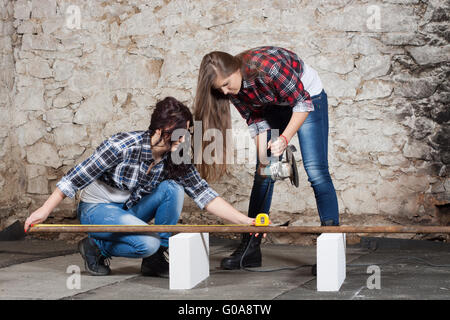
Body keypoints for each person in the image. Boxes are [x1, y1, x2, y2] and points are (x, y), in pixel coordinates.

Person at [24, 97, 254, 277]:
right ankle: (96, 246)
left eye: (186, 134)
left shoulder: (177, 155)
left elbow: (203, 193)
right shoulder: (121, 146)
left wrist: (244, 222)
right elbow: (74, 178)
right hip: (98, 210)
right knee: (148, 242)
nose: (183, 140)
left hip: (127, 209)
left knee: (173, 188)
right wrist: (44, 210)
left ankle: (154, 260)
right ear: (158, 130)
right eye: (177, 134)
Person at [193, 46, 339, 270]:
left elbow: (302, 103)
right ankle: (251, 246)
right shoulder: (232, 90)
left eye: (225, 84)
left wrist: (284, 138)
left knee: (316, 171)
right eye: (218, 88)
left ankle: (331, 251)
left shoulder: (268, 68)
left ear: (235, 70)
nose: (223, 92)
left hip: (307, 98)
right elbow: (256, 118)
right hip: (272, 105)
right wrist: (265, 154)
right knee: (264, 172)